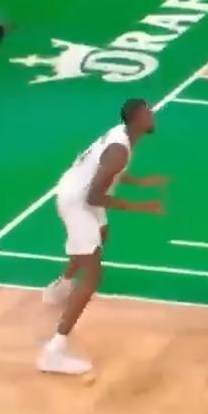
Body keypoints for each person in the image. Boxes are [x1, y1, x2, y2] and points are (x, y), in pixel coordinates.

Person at [40, 99, 165, 375]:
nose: (152, 115)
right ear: (136, 120)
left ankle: (60, 288)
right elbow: (94, 196)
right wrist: (141, 206)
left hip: (77, 189)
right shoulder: (119, 149)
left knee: (101, 235)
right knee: (93, 276)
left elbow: (107, 171)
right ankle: (54, 352)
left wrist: (140, 182)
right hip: (77, 202)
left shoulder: (121, 136)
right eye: (148, 113)